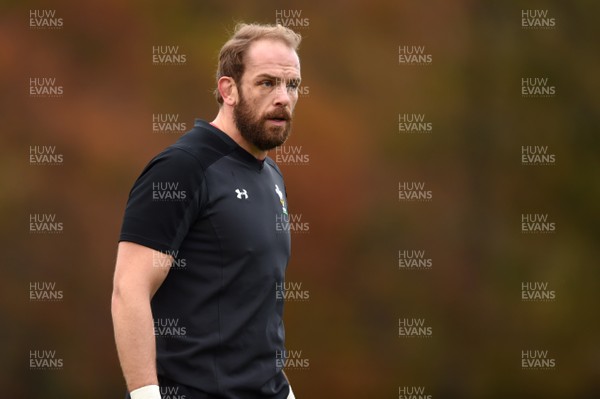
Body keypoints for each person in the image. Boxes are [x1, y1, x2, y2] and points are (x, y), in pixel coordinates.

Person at [111, 23, 302, 399]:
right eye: (266, 83)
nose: (283, 97)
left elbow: (255, 306)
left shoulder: (271, 175)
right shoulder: (182, 168)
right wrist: (146, 396)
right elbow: (128, 289)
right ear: (228, 89)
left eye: (292, 85)